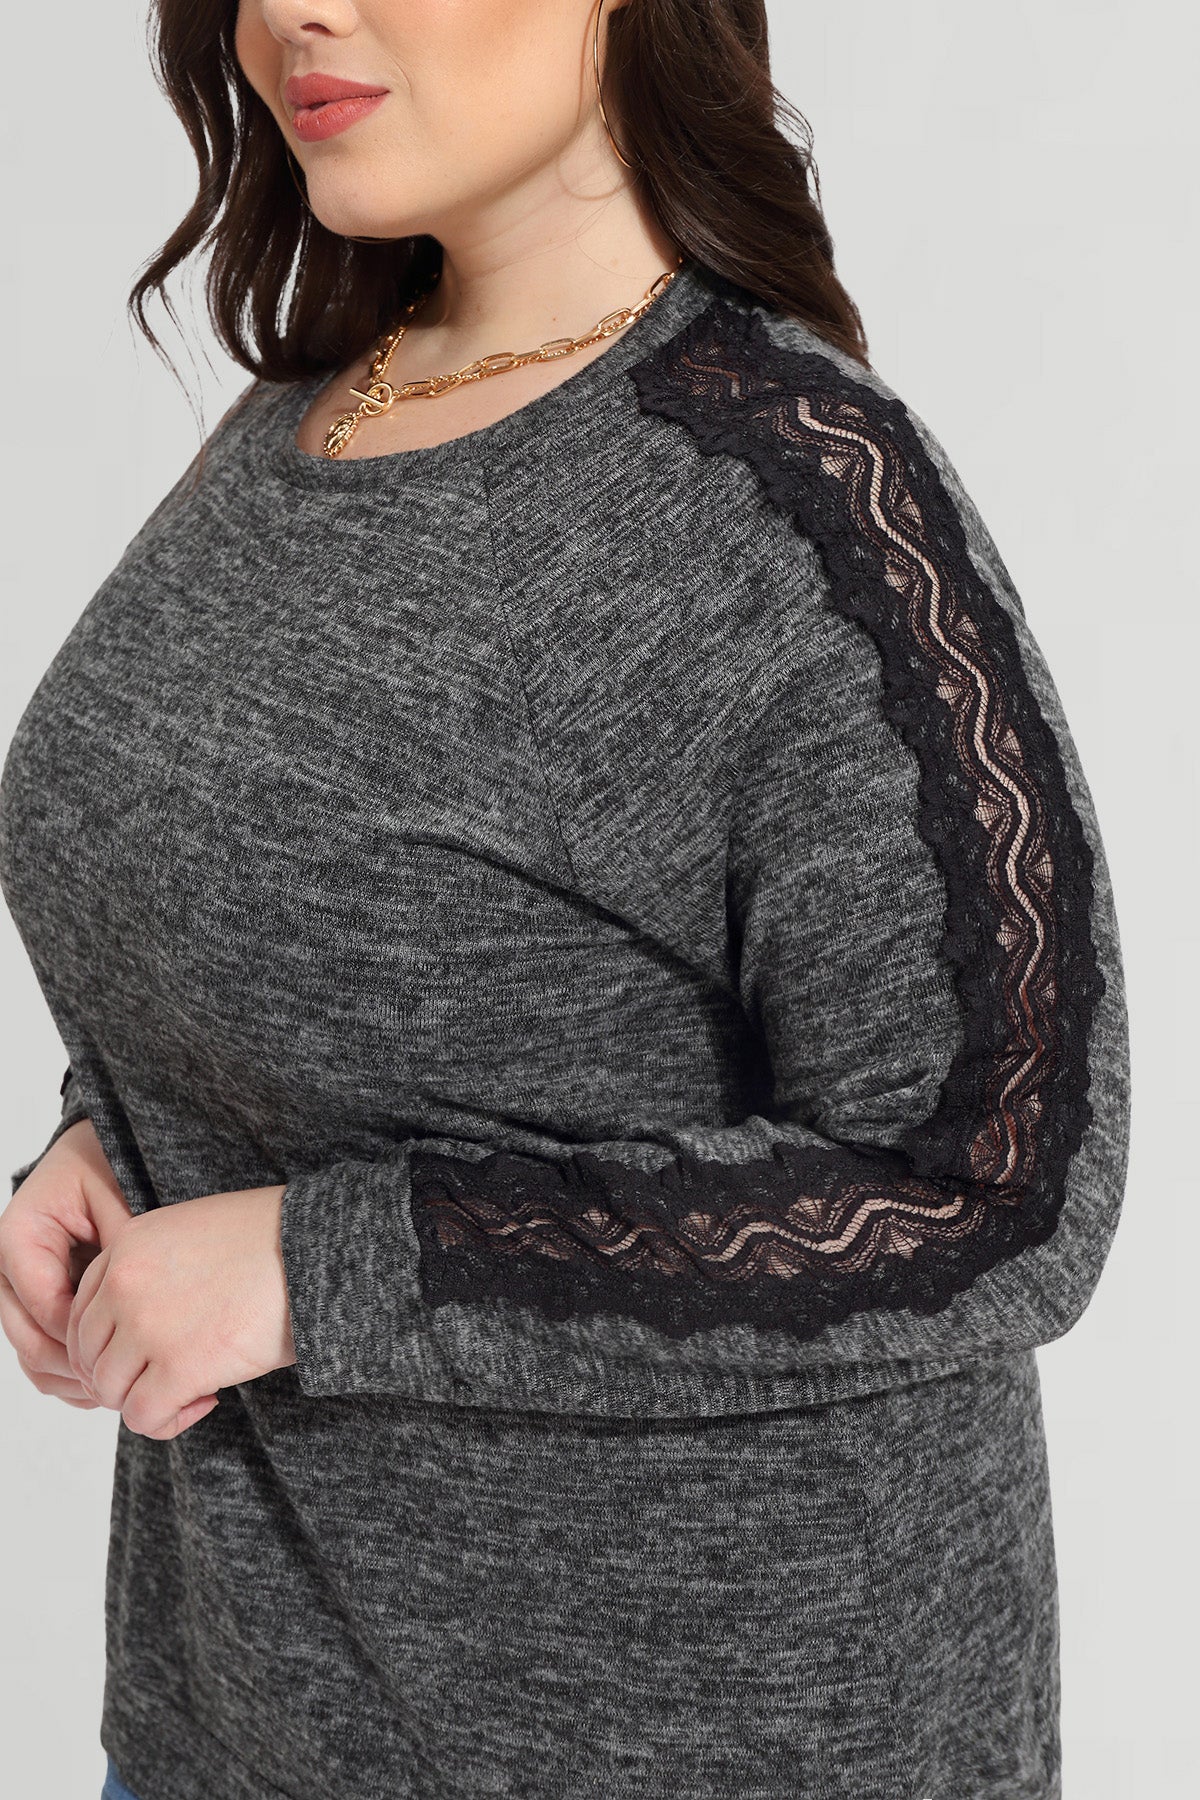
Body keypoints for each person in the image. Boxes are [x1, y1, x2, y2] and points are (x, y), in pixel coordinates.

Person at [0, 3, 1130, 1798]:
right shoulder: (316, 406)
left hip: (716, 1739)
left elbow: (999, 1189)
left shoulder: (794, 498)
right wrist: (121, 1117)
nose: (293, 10)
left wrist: (315, 1265)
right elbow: (291, 906)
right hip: (237, 1718)